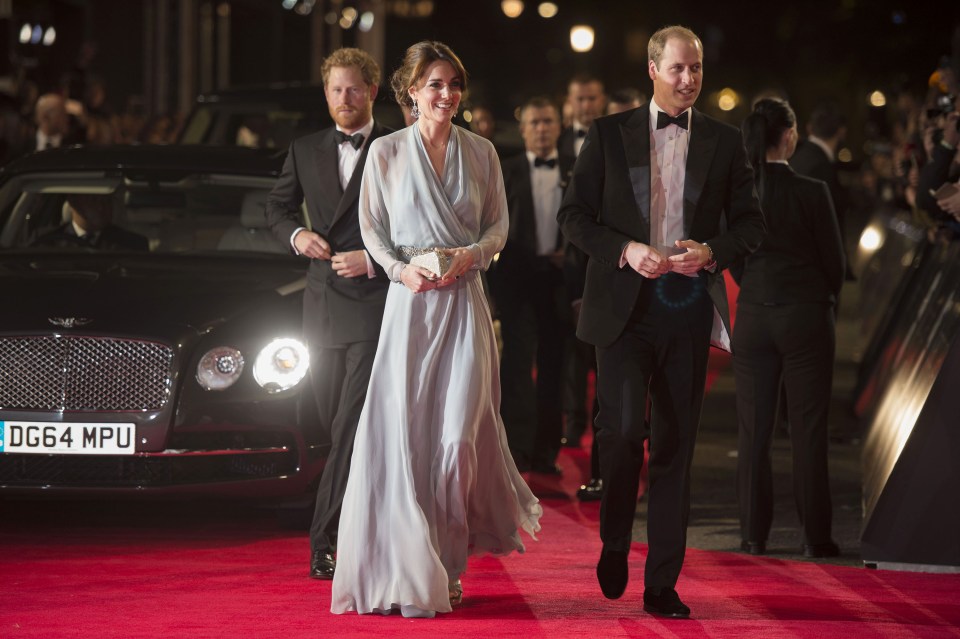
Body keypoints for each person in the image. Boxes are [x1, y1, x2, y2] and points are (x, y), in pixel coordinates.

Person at [557, 25, 765, 618]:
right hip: (622, 308)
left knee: (675, 447)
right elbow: (573, 216)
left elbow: (750, 224)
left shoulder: (725, 144)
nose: (689, 79)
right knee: (623, 434)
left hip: (686, 308)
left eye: (696, 68)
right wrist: (625, 249)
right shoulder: (607, 134)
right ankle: (616, 538)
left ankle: (662, 583)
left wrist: (712, 252)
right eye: (678, 68)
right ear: (652, 69)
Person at [330, 40, 542, 618]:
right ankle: (408, 562)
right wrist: (402, 271)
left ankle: (447, 565)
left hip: (465, 305)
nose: (446, 94)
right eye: (434, 84)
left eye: (453, 84)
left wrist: (471, 255)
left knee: (455, 444)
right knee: (405, 440)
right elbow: (371, 228)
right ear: (410, 92)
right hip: (409, 309)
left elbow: (499, 225)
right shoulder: (387, 153)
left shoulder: (483, 153)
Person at [264, 47, 392, 581]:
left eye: (354, 89)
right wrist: (298, 236)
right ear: (326, 95)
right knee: (325, 420)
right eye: (336, 90)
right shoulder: (304, 148)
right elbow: (275, 208)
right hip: (319, 304)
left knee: (347, 426)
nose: (345, 99)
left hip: (372, 301)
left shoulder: (396, 147)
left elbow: (418, 224)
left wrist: (376, 259)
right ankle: (356, 519)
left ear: (372, 92)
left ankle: (325, 541)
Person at [733, 98, 844, 559]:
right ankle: (815, 537)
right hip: (805, 317)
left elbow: (733, 258)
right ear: (791, 135)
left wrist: (757, 288)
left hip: (755, 316)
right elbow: (834, 263)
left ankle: (753, 536)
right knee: (807, 429)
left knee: (753, 431)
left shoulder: (740, 193)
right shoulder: (813, 190)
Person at [489, 96, 574, 474]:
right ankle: (518, 448)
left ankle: (545, 452)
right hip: (517, 282)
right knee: (517, 365)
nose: (541, 129)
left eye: (547, 122)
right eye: (534, 123)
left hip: (558, 281)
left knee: (555, 366)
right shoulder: (504, 172)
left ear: (559, 126)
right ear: (523, 129)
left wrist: (569, 254)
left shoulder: (576, 170)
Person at [558, 73, 606, 452]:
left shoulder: (613, 141)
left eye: (592, 98)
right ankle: (571, 424)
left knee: (596, 350)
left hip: (599, 259)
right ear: (569, 102)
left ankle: (596, 421)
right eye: (580, 98)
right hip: (554, 267)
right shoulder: (554, 145)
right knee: (567, 352)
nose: (586, 105)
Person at [33, 193, 148, 251]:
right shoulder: (45, 241)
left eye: (107, 201)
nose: (102, 207)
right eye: (94, 200)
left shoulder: (132, 244)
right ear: (74, 203)